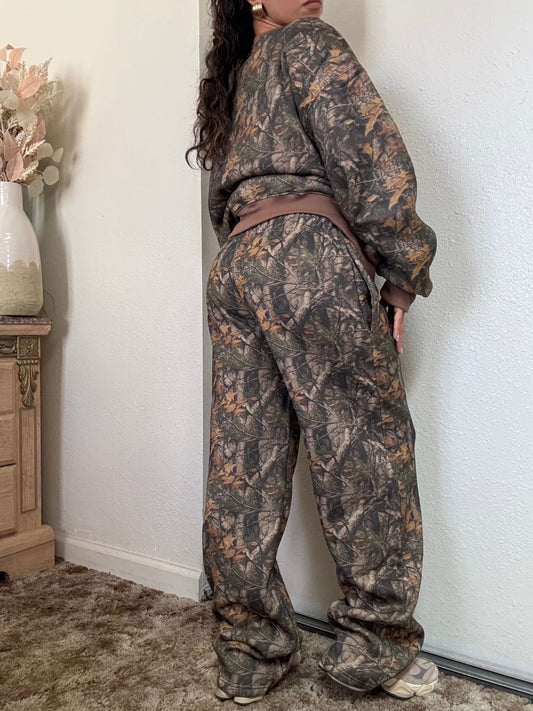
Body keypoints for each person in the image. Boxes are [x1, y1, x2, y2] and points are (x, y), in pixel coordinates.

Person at [186, 0, 438, 705]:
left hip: (235, 268)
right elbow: (372, 159)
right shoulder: (309, 42)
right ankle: (377, 647)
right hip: (307, 253)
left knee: (243, 461)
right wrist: (403, 269)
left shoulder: (233, 79)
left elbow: (223, 201)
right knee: (362, 447)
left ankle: (249, 652)